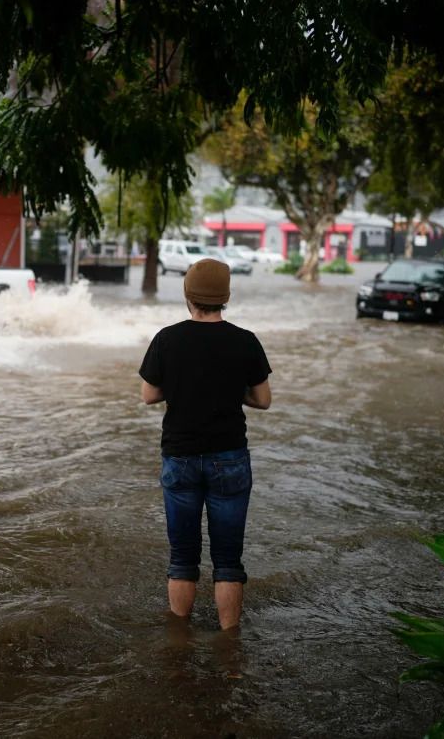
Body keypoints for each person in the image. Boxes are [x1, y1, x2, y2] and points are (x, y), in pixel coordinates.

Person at [138, 258, 272, 630]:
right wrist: (233, 392)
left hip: (179, 457)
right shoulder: (245, 341)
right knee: (228, 560)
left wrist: (181, 388)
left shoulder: (168, 338)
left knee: (182, 558)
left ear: (188, 297)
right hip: (229, 458)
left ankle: (179, 642)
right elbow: (263, 400)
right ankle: (230, 646)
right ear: (225, 298)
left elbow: (149, 395)